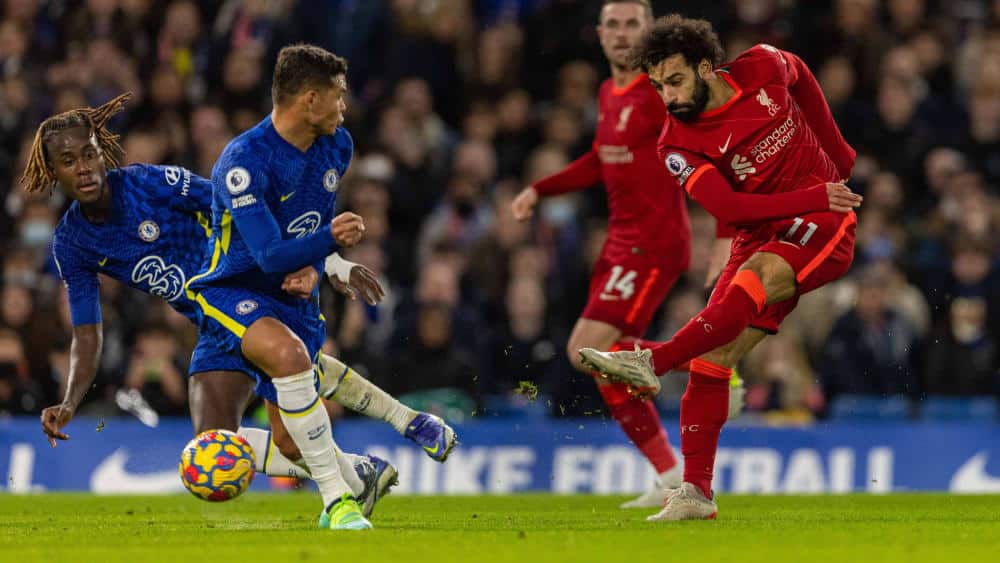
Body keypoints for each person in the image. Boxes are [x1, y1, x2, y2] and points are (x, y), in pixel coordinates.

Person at [23, 91, 449, 522]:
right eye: (68, 161)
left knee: (291, 380)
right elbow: (86, 332)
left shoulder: (146, 183)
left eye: (89, 154)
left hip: (252, 286)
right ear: (53, 171)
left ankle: (353, 484)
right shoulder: (72, 243)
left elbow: (239, 206)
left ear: (102, 152)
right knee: (213, 444)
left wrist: (325, 261)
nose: (84, 168)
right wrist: (70, 402)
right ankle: (360, 470)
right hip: (212, 320)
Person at [580, 15, 862, 521]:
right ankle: (696, 493)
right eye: (658, 86)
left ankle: (653, 360)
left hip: (823, 222)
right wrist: (816, 191)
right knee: (711, 359)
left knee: (751, 284)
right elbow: (729, 208)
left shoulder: (762, 66)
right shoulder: (676, 144)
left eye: (675, 80)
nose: (668, 96)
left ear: (706, 68)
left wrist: (836, 151)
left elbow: (799, 72)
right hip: (764, 229)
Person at [511, 0, 691, 509]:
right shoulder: (609, 92)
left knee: (585, 350)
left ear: (650, 30)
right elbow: (599, 159)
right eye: (613, 24)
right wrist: (540, 189)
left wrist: (724, 231)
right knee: (602, 361)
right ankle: (669, 472)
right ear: (599, 33)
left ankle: (699, 360)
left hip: (653, 243)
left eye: (633, 24)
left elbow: (706, 143)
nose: (622, 33)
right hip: (619, 244)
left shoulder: (661, 91)